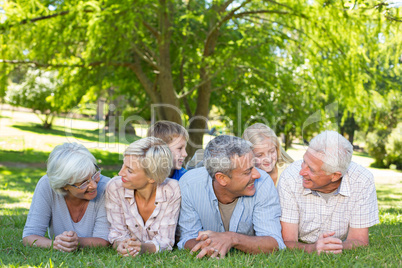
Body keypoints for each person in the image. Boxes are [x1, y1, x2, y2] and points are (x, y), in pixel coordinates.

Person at [178, 135, 285, 259]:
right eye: (248, 171)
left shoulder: (263, 183)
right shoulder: (190, 185)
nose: (257, 174)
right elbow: (188, 237)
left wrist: (232, 238)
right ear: (222, 179)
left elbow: (274, 243)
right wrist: (210, 245)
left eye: (254, 166)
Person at [278, 130, 379, 254]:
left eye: (311, 169)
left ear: (335, 176)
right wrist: (312, 248)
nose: (301, 172)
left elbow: (359, 241)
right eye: (304, 161)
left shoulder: (362, 180)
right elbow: (286, 241)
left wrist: (332, 247)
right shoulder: (290, 178)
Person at [22, 143, 110, 252]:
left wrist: (76, 242)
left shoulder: (107, 188)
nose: (94, 185)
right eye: (83, 183)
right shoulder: (46, 185)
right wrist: (55, 244)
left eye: (94, 175)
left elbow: (104, 240)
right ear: (64, 185)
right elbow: (29, 236)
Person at [105, 137, 181, 256]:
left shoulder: (171, 190)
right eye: (123, 166)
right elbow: (117, 233)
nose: (120, 173)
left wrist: (143, 248)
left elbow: (165, 241)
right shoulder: (115, 187)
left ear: (152, 177)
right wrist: (121, 245)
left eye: (129, 171)